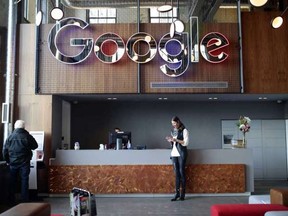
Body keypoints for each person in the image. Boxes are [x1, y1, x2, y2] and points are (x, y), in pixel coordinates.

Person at [2, 120, 38, 204]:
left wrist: (7, 161)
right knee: (24, 180)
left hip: (12, 163)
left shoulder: (10, 137)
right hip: (25, 162)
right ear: (24, 127)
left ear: (15, 127)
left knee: (12, 181)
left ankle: (11, 200)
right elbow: (35, 146)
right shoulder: (27, 136)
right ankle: (24, 200)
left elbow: (4, 150)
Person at [166, 116, 189, 201]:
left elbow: (185, 143)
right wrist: (171, 141)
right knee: (177, 174)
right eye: (172, 124)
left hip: (182, 153)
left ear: (178, 122)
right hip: (174, 153)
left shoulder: (184, 130)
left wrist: (176, 140)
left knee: (182, 172)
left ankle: (182, 194)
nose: (173, 125)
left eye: (174, 123)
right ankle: (177, 194)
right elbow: (173, 144)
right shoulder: (173, 131)